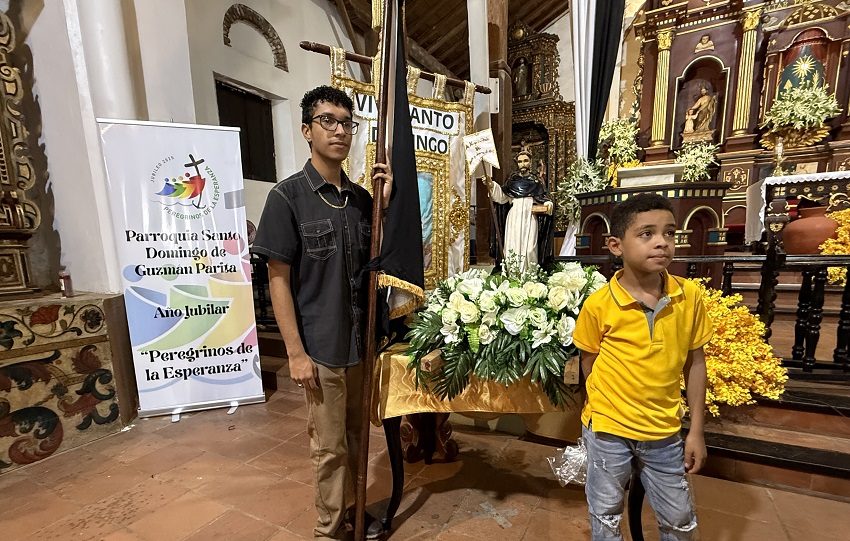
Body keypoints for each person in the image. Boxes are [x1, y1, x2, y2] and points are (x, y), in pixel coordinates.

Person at [252, 85, 392, 541]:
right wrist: (295, 352)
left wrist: (386, 205)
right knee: (329, 447)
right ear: (307, 130)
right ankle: (329, 531)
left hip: (359, 343)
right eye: (328, 121)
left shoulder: (360, 199)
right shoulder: (288, 197)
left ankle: (353, 516)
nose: (339, 131)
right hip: (321, 345)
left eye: (347, 123)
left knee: (356, 438)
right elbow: (278, 279)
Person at [573, 193, 713, 541]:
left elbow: (695, 363)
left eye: (670, 233)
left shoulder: (689, 296)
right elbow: (589, 361)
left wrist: (695, 430)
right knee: (605, 512)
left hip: (663, 431)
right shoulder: (599, 305)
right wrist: (610, 404)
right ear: (615, 245)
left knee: (679, 517)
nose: (662, 243)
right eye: (647, 234)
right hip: (608, 430)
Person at [482, 148, 553, 269]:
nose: (523, 164)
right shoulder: (512, 181)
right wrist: (491, 184)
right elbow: (502, 197)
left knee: (530, 248)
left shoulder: (536, 181)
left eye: (525, 161)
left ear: (530, 162)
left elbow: (542, 197)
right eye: (520, 161)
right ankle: (513, 274)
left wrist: (548, 203)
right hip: (514, 216)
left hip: (530, 217)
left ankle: (530, 274)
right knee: (512, 246)